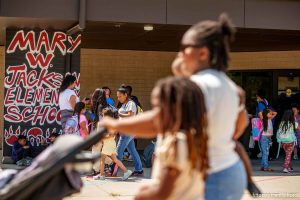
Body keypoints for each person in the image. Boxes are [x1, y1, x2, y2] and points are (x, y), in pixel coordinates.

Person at [100, 13, 249, 200]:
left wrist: (116, 125)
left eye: (184, 49)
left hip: (205, 179)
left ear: (202, 53)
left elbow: (159, 120)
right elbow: (242, 120)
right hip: (229, 172)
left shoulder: (194, 87)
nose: (179, 54)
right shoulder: (230, 87)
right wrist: (222, 139)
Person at [93, 108, 132, 181]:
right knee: (115, 159)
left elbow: (110, 135)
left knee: (102, 159)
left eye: (103, 115)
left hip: (108, 143)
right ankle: (126, 171)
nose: (102, 117)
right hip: (111, 143)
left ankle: (101, 175)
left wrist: (102, 139)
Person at [116, 87, 143, 176]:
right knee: (132, 151)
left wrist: (118, 113)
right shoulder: (124, 104)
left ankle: (113, 171)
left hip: (127, 131)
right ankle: (139, 170)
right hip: (126, 130)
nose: (118, 98)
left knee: (118, 152)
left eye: (120, 96)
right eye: (117, 96)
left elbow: (130, 115)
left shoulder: (130, 103)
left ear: (125, 95)